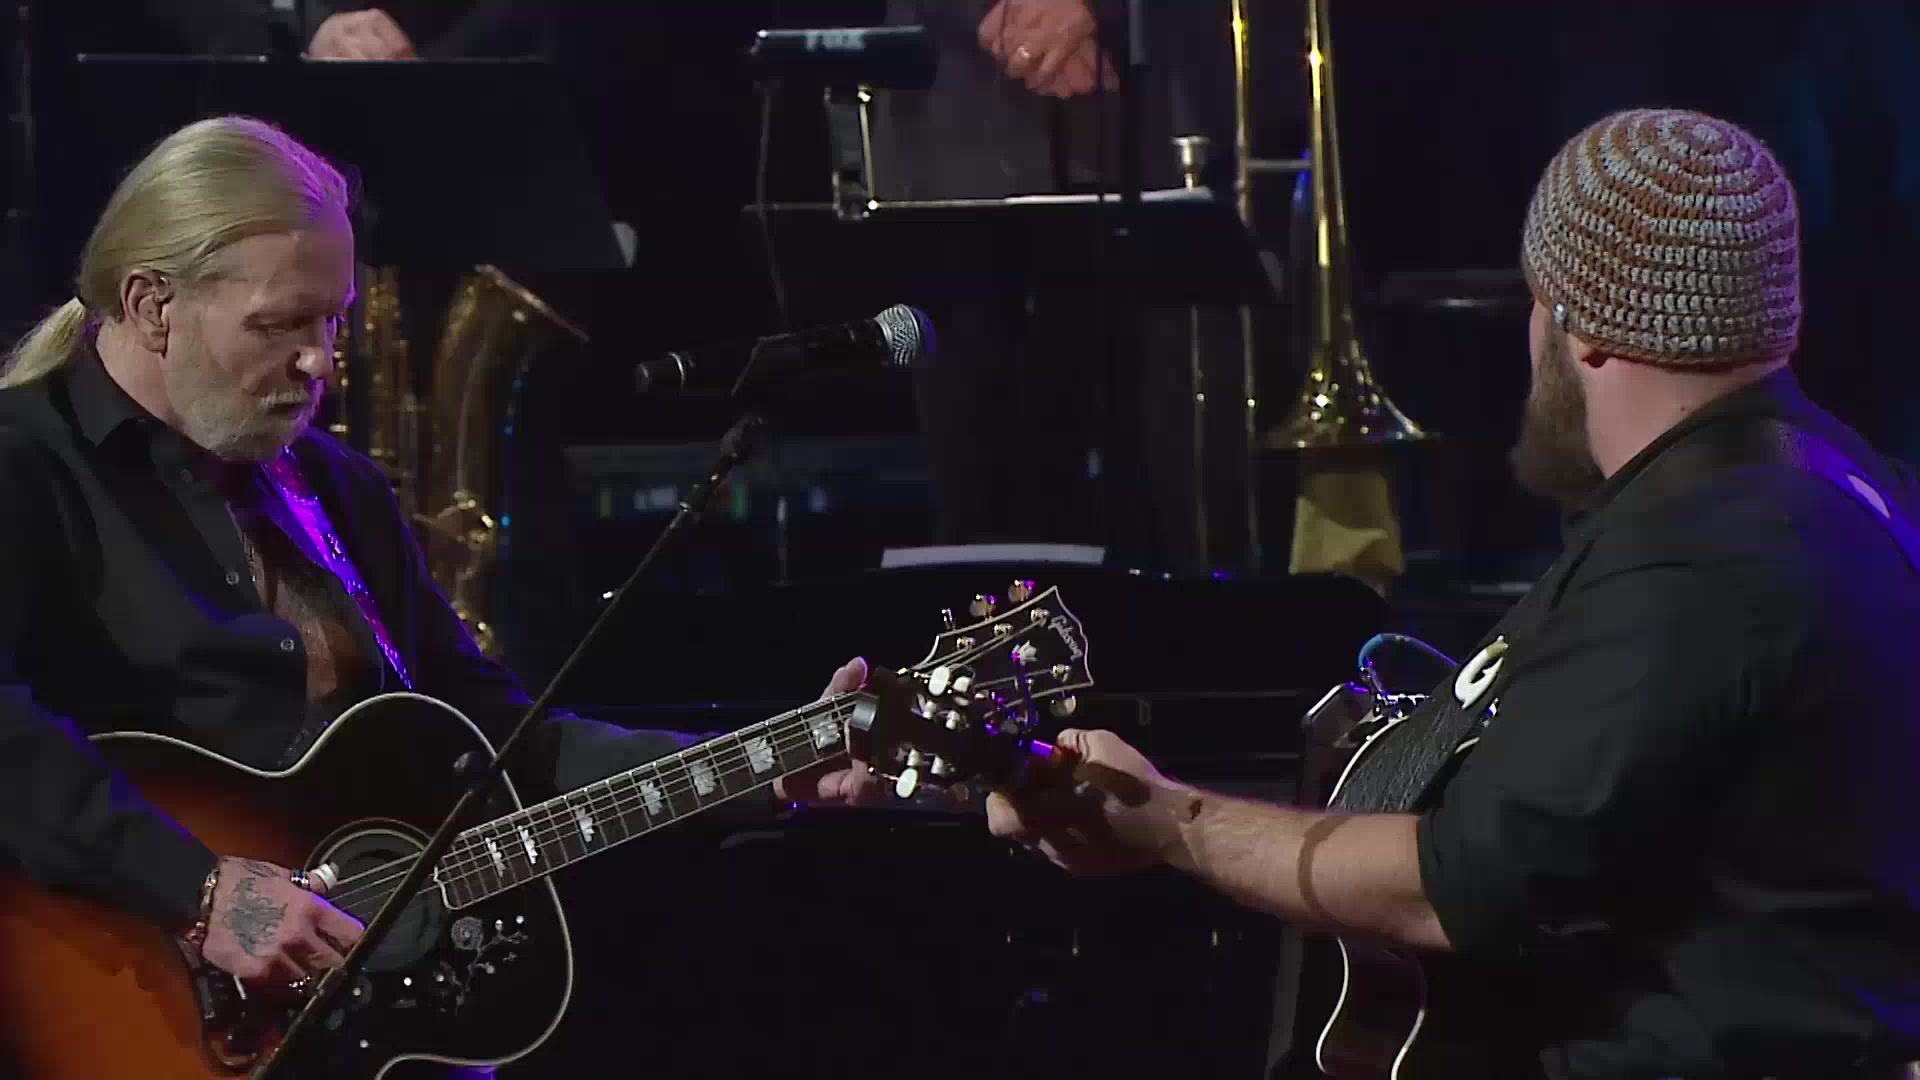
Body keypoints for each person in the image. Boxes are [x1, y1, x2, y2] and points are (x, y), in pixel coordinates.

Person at [986, 108, 1920, 1078]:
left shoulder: (1696, 552)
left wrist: (1171, 824)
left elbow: (1456, 887)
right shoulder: (1848, 485)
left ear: (1580, 325)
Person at [0, 115, 877, 1074]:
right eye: (280, 324)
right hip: (96, 1009)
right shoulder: (25, 465)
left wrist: (761, 770)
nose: (321, 361)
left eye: (332, 321)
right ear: (151, 304)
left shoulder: (336, 489)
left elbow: (502, 741)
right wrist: (199, 892)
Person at [870, 0, 1236, 574]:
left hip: (1147, 125)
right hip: (957, 139)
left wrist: (1095, 9)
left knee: (1175, 506)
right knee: (979, 527)